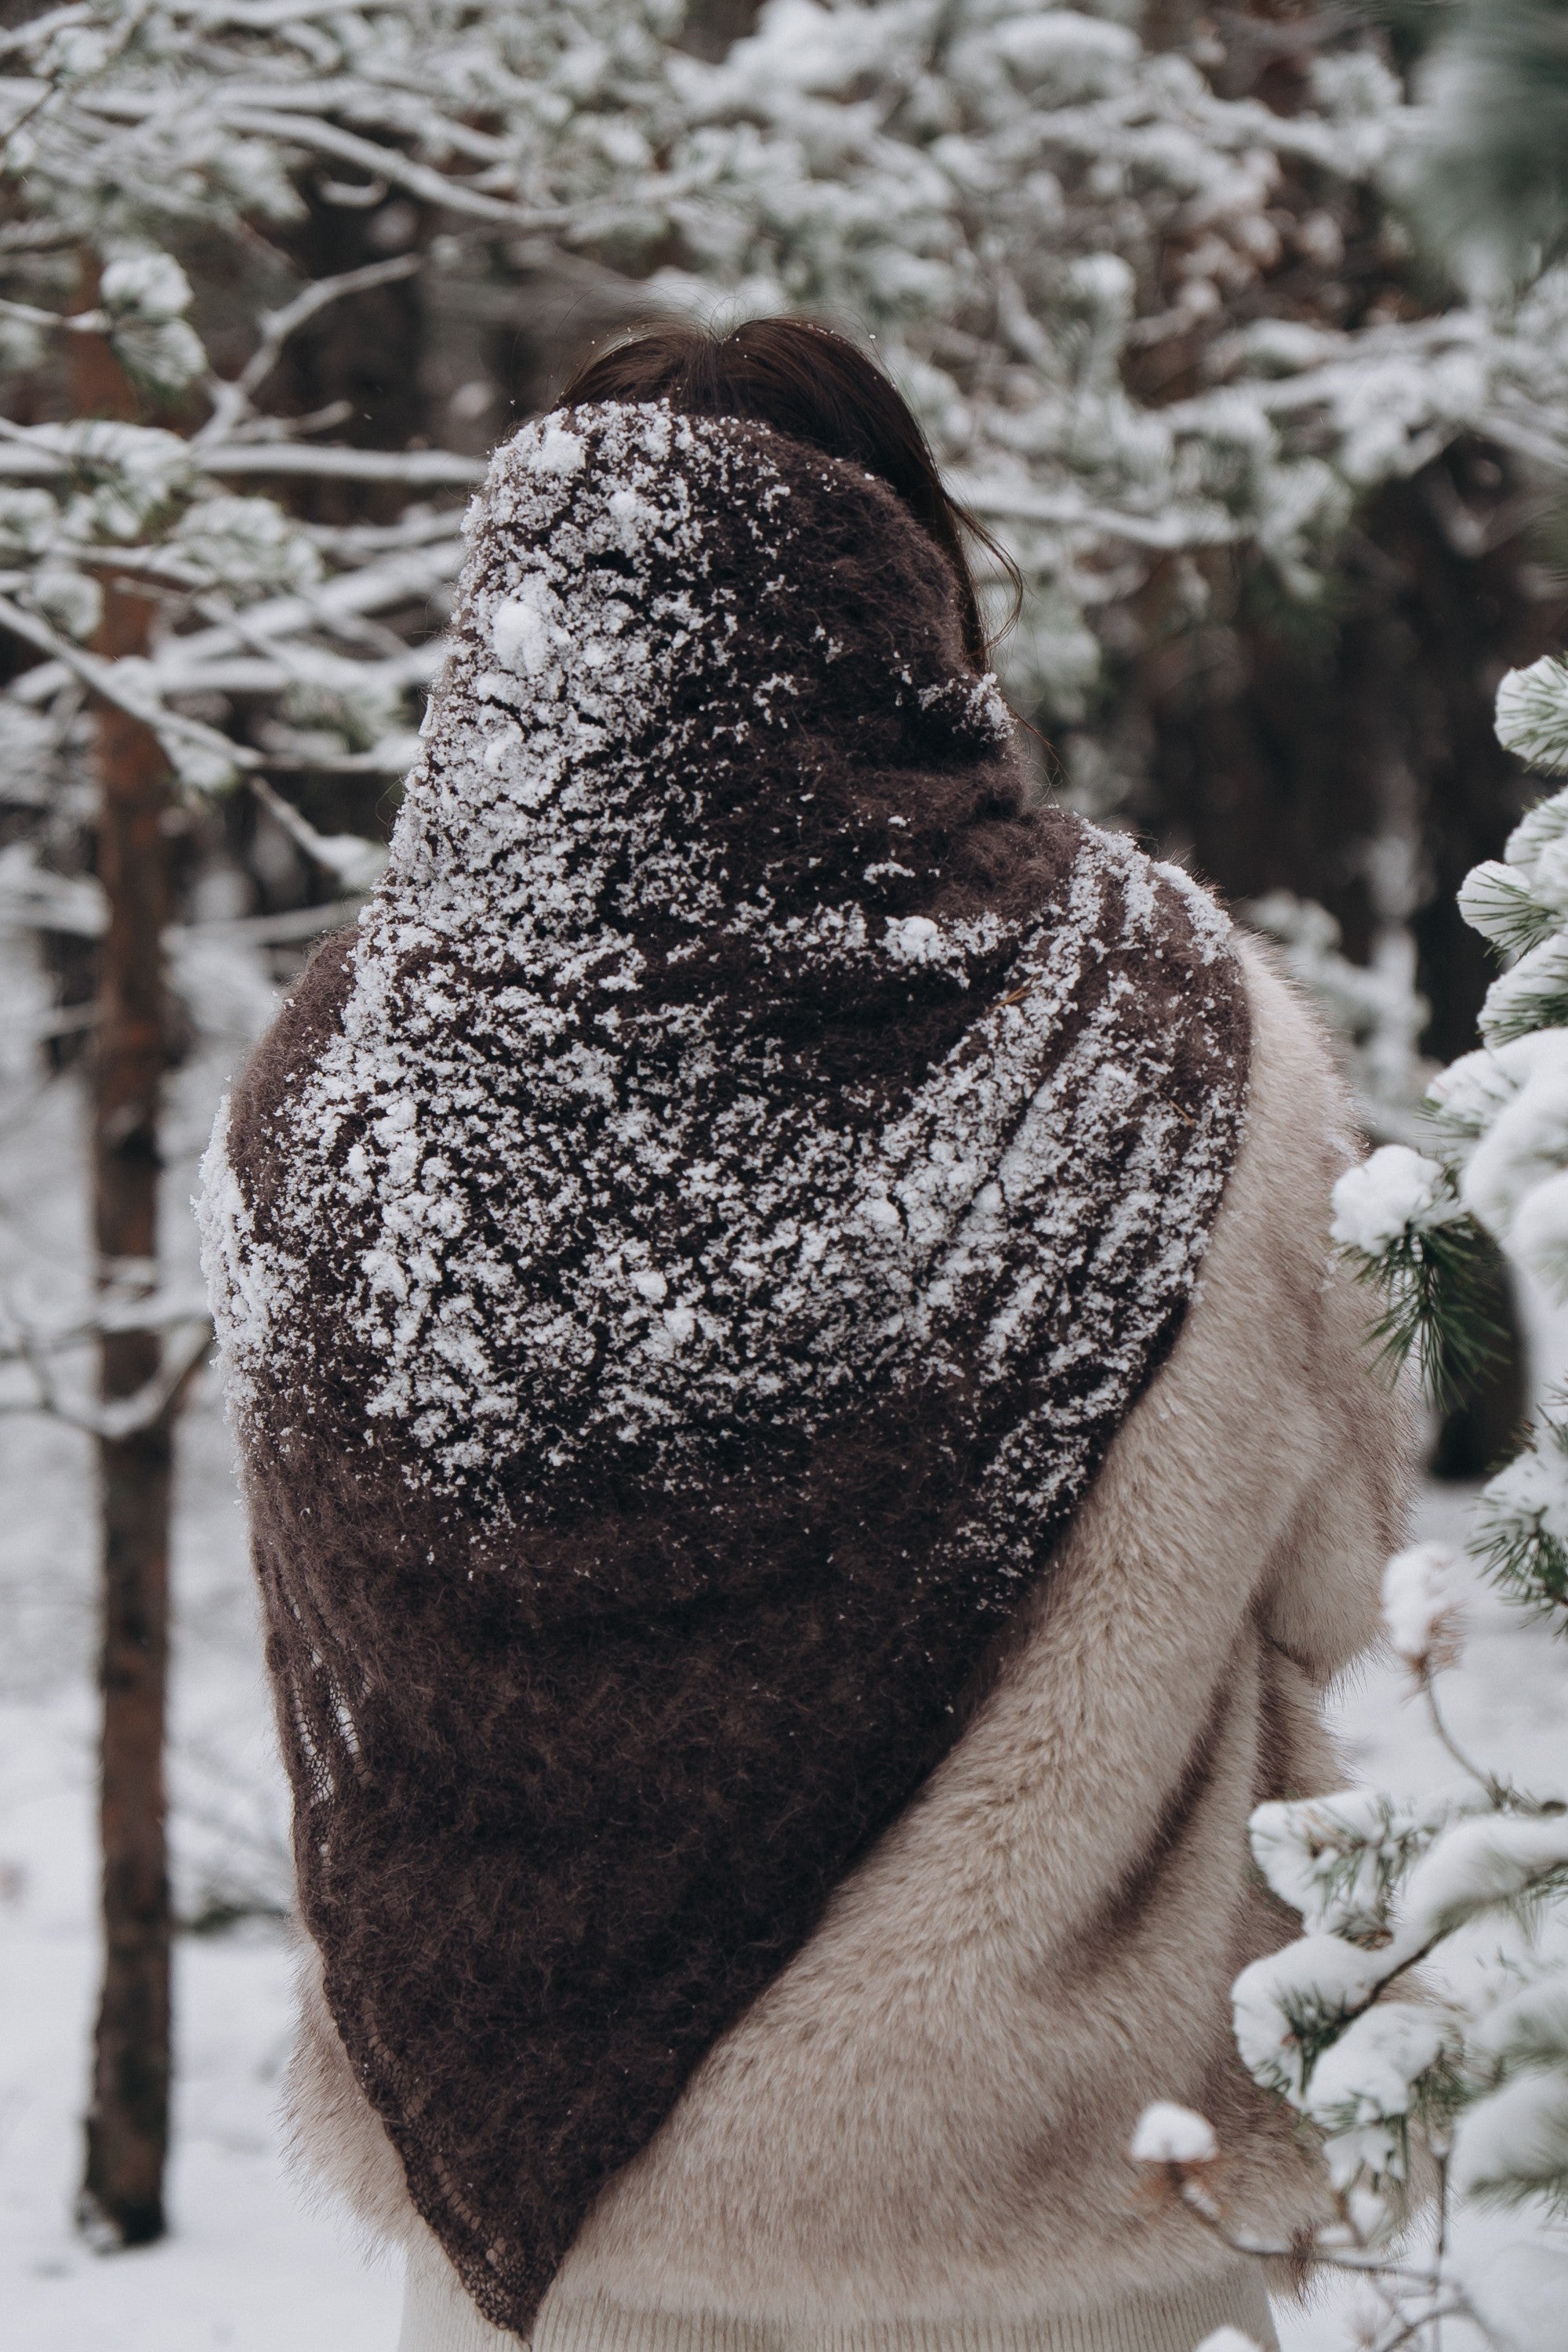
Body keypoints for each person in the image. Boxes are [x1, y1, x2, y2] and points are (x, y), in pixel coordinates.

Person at [200, 320, 1412, 2352]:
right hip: (1074, 2235)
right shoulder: (1179, 1042)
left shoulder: (334, 1091)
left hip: (547, 2245)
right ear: (906, 604)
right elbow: (1346, 1600)